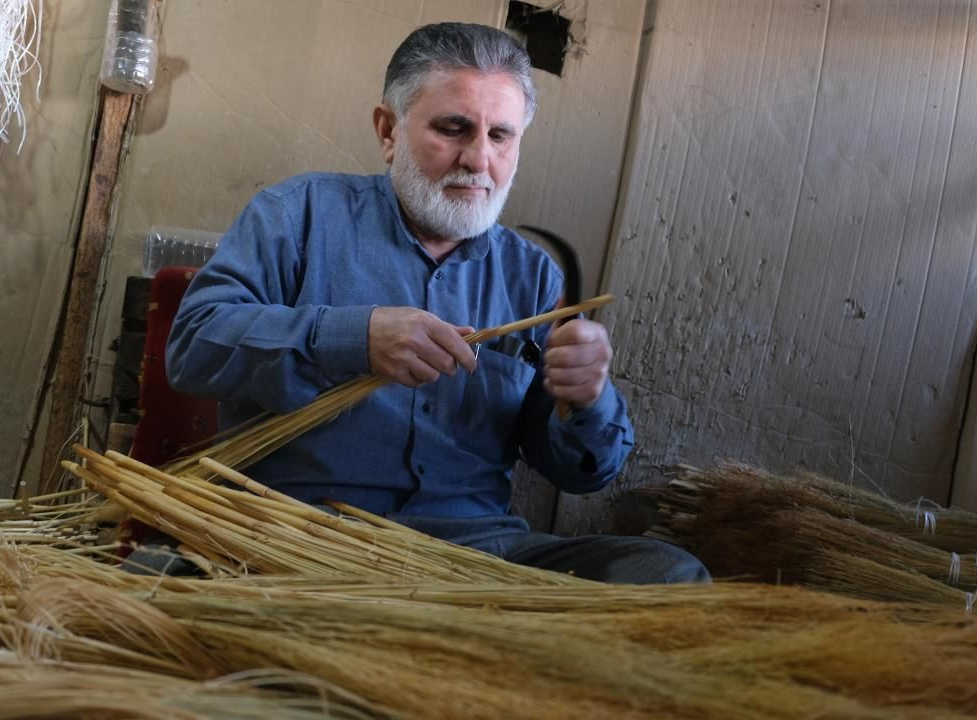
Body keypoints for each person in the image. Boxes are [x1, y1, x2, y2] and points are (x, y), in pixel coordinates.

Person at [159, 22, 708, 584]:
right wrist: (353, 338)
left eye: (501, 136)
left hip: (475, 554)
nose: (477, 159)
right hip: (302, 540)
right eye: (453, 128)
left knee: (665, 575)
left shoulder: (531, 275)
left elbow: (580, 472)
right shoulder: (297, 215)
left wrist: (587, 398)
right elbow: (193, 345)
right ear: (388, 130)